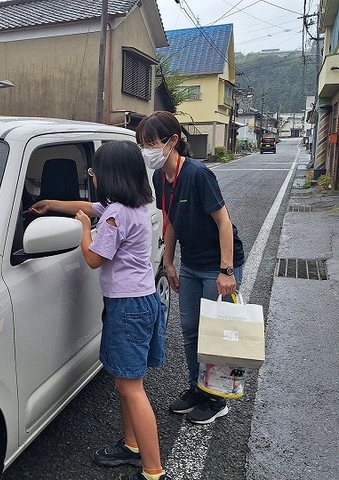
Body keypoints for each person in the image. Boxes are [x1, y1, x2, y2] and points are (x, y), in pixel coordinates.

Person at [30, 141, 171, 480]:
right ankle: (132, 445)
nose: (92, 177)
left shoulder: (114, 216)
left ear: (109, 176)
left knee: (131, 388)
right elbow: (88, 206)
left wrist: (82, 229)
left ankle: (153, 471)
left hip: (126, 308)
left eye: (94, 172)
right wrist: (52, 204)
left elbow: (93, 258)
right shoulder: (133, 205)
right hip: (142, 301)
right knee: (128, 382)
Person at [135, 111, 245, 425]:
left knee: (216, 331)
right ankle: (198, 388)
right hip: (191, 263)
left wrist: (226, 271)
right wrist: (168, 262)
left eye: (151, 143)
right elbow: (170, 223)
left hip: (218, 264)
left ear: (172, 141)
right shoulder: (160, 177)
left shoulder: (198, 174)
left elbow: (224, 222)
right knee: (190, 329)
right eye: (143, 144)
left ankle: (218, 397)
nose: (147, 151)